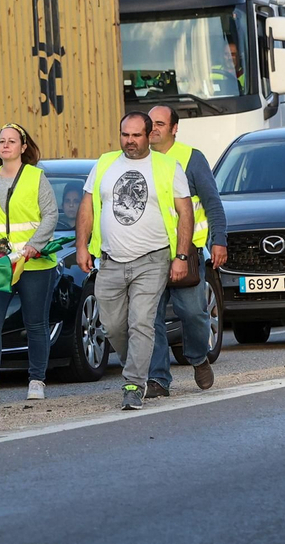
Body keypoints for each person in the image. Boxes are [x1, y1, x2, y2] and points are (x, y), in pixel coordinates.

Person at [75, 112, 193, 411]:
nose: (130, 141)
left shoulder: (167, 166)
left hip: (152, 259)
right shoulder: (104, 163)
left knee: (141, 322)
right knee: (112, 325)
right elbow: (87, 206)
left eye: (136, 135)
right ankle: (136, 366)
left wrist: (180, 256)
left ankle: (133, 384)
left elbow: (185, 213)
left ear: (149, 134)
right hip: (111, 260)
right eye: (125, 135)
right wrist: (82, 246)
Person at [0, 123, 58, 402]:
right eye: (1, 141)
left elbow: (51, 215)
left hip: (34, 264)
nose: (5, 145)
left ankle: (36, 381)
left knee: (35, 323)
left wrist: (34, 245)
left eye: (11, 141)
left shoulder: (36, 177)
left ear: (23, 147)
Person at [146, 105, 227, 398]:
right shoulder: (139, 160)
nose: (152, 128)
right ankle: (158, 379)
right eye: (150, 123)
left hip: (188, 252)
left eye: (159, 123)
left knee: (192, 312)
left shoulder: (192, 159)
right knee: (151, 318)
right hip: (148, 253)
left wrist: (219, 240)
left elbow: (212, 202)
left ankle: (197, 357)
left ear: (174, 128)